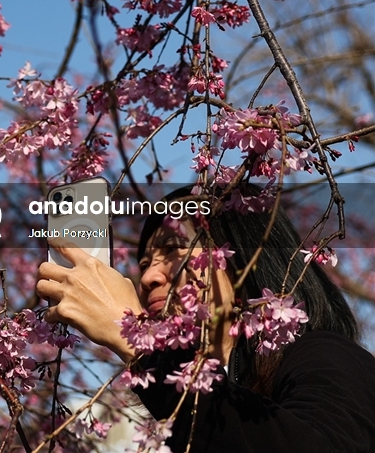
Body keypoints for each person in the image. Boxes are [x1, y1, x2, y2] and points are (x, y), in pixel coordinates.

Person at [36, 184, 375, 452]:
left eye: (172, 250)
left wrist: (136, 339)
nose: (149, 278)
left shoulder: (326, 356)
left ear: (242, 257)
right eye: (143, 264)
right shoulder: (182, 411)